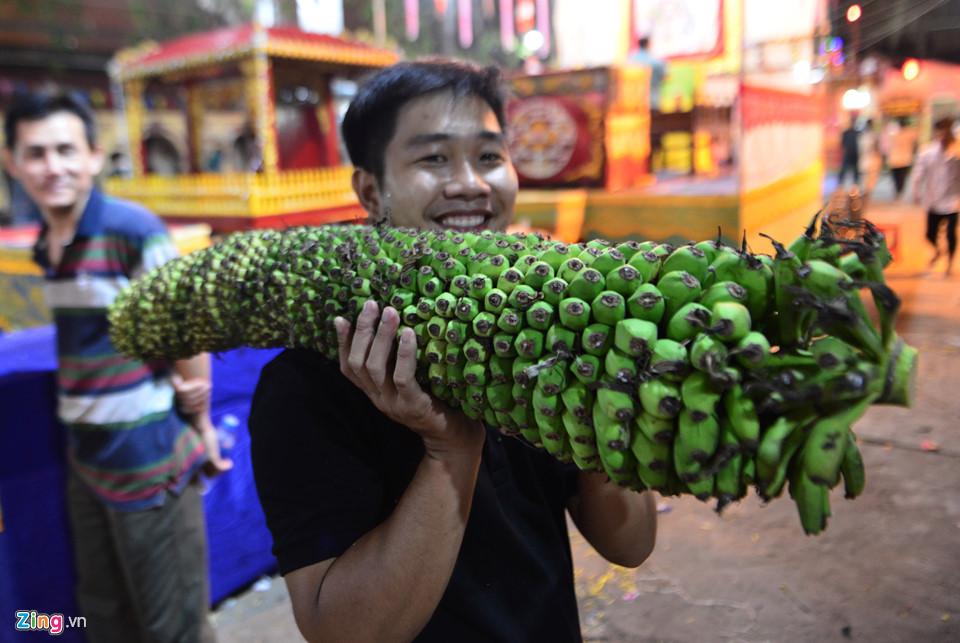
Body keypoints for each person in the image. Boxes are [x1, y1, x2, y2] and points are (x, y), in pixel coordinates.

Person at [248, 60, 658, 642]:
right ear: (371, 190)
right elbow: (340, 630)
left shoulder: (542, 329)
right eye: (434, 158)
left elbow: (630, 544)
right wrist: (449, 451)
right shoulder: (307, 383)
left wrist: (602, 407)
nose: (471, 182)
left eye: (489, 156)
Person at [3, 91, 231, 642]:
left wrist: (202, 428)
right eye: (35, 153)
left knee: (171, 627)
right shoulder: (46, 242)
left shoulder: (132, 230)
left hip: (151, 463)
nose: (52, 167)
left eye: (65, 150)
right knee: (99, 614)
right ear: (12, 162)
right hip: (88, 463)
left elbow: (187, 328)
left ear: (94, 156)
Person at [911, 116, 960, 276]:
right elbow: (918, 173)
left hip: (954, 200)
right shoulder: (928, 152)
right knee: (930, 234)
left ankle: (950, 264)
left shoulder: (957, 151)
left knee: (951, 233)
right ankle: (938, 251)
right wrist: (916, 192)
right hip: (933, 200)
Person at [629, 36, 666, 111]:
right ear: (648, 45)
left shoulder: (630, 60)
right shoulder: (657, 61)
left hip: (633, 103)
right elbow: (665, 77)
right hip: (653, 101)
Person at [888, 116, 918, 198]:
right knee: (902, 177)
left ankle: (898, 191)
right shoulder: (910, 133)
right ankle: (899, 191)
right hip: (904, 159)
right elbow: (915, 145)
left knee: (896, 177)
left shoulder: (893, 133)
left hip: (896, 158)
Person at [838, 120, 860, 187]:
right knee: (844, 171)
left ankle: (855, 186)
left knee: (855, 171)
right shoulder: (846, 133)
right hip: (848, 154)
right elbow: (842, 144)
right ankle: (840, 185)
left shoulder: (857, 133)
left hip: (855, 154)